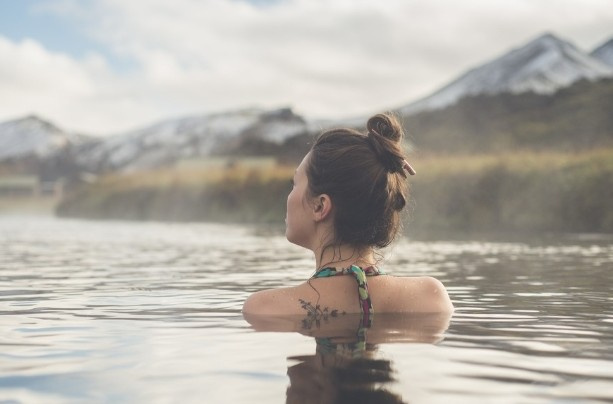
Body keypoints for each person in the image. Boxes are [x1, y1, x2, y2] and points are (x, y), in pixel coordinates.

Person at [243, 113, 453, 318]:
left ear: (320, 206)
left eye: (294, 184)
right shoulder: (430, 298)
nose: (289, 197)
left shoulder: (266, 309)